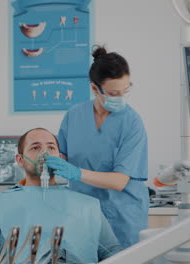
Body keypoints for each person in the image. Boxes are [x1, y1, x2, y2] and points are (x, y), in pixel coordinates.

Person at [45, 46, 149, 248]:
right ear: (94, 89)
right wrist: (47, 165)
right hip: (82, 213)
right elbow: (62, 156)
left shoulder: (132, 123)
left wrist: (75, 173)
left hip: (123, 216)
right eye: (113, 93)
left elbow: (119, 181)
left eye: (125, 91)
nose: (120, 98)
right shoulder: (74, 115)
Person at [0, 128, 122, 263]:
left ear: (60, 158)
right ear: (20, 160)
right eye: (35, 147)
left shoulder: (88, 205)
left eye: (51, 147)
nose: (45, 153)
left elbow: (113, 252)